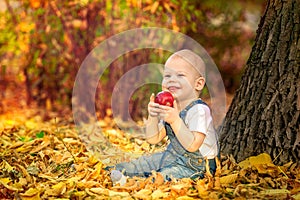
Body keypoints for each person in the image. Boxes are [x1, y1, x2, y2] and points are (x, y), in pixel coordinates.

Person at [110, 49, 219, 185]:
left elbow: (193, 145)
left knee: (164, 176)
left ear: (198, 84)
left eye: (180, 75)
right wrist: (153, 116)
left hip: (197, 165)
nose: (172, 80)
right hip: (173, 156)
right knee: (145, 162)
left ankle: (133, 183)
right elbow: (153, 138)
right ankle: (114, 171)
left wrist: (174, 120)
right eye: (167, 76)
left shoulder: (199, 110)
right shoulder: (171, 107)